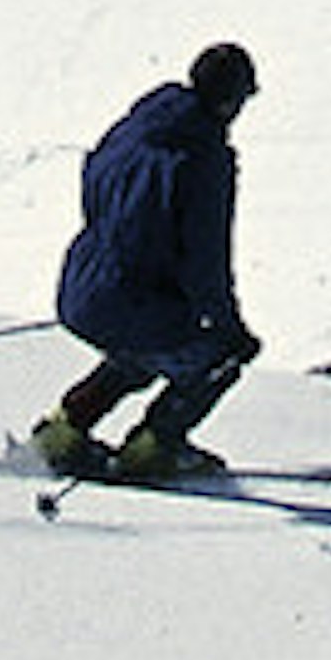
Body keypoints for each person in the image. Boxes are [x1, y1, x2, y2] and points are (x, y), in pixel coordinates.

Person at [36, 38, 262, 481]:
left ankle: (63, 432)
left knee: (140, 353)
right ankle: (153, 449)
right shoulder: (203, 160)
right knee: (216, 359)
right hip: (132, 300)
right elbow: (206, 260)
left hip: (84, 286)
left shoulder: (134, 128)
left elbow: (94, 184)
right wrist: (230, 331)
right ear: (231, 100)